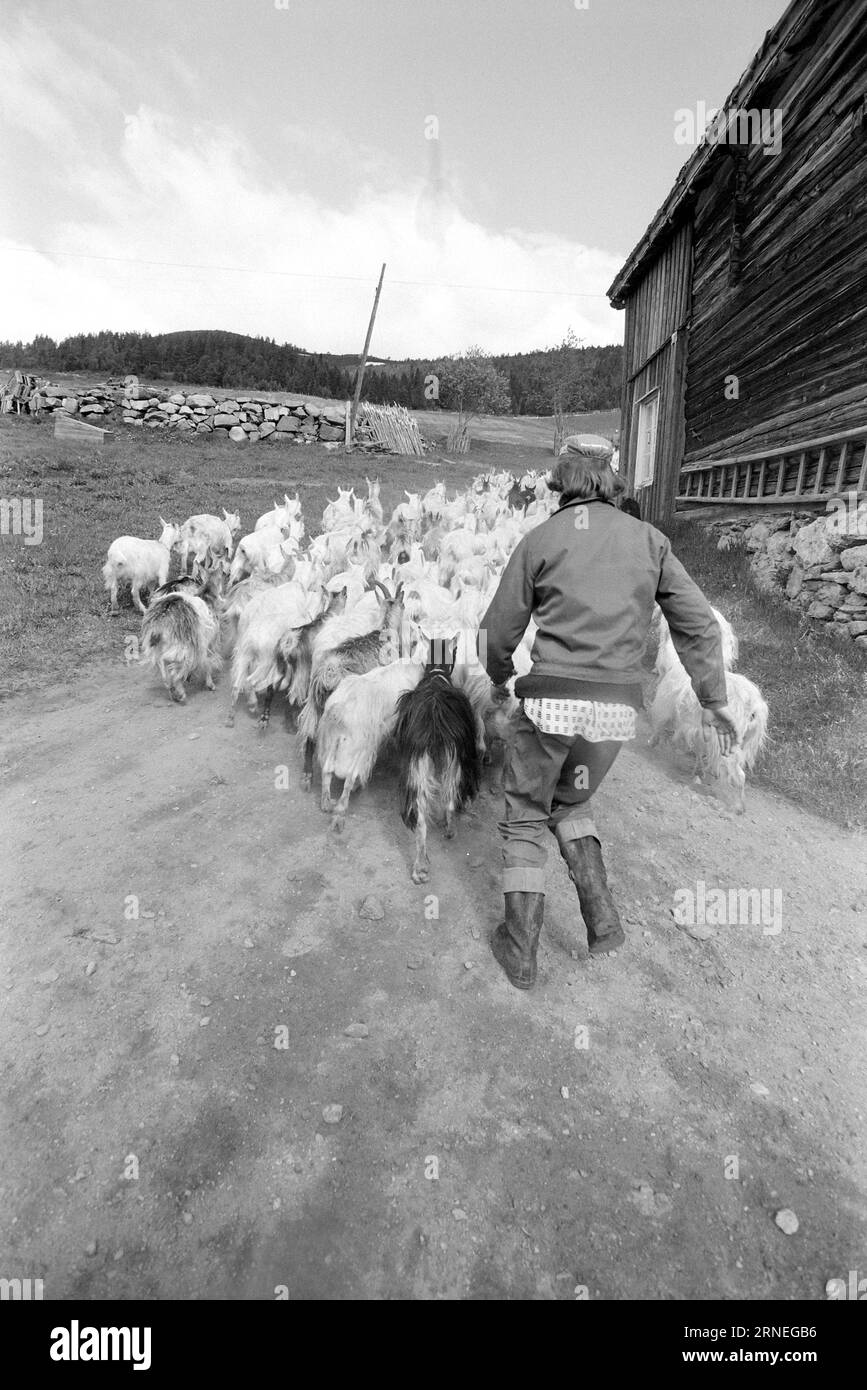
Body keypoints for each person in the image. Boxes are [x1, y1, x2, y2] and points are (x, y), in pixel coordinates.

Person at [479, 434, 738, 990]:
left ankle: (520, 948)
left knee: (526, 811)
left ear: (561, 479)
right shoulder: (650, 541)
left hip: (549, 704)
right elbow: (698, 624)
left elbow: (496, 634)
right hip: (616, 711)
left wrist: (502, 678)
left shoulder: (541, 539)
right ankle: (602, 921)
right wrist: (714, 701)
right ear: (611, 481)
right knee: (571, 799)